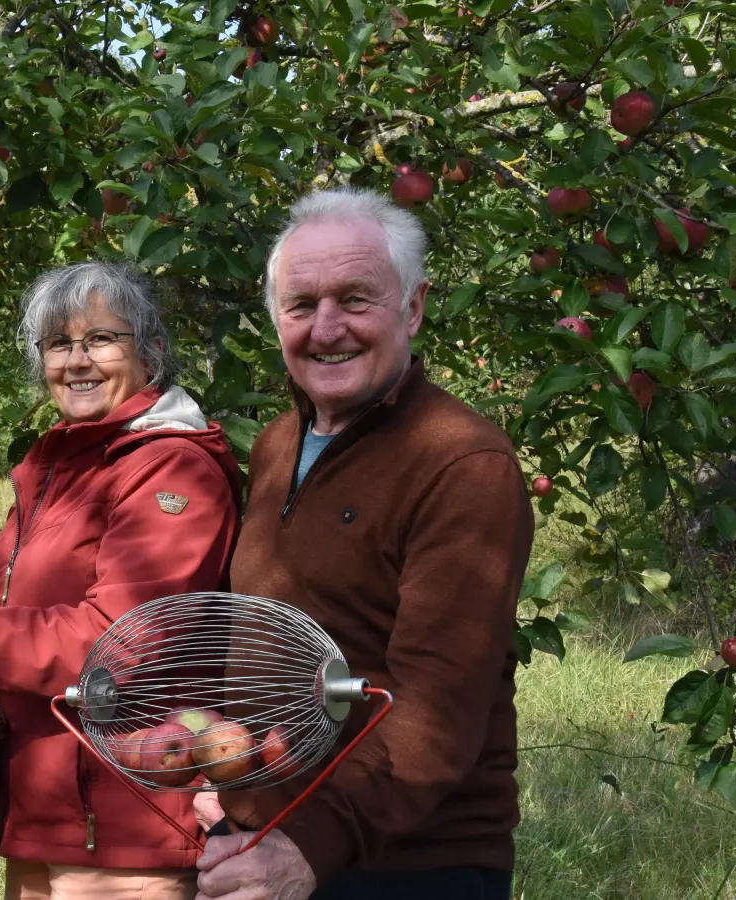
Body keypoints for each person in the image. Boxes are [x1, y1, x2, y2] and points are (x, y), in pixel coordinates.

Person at [192, 187, 533, 900]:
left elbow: (435, 707)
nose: (325, 329)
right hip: (267, 835)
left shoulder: (461, 464)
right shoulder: (279, 444)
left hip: (405, 865)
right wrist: (224, 777)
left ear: (412, 307)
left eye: (355, 299)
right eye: (300, 305)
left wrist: (307, 845)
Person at [0, 261, 245, 900]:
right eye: (58, 343)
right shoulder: (59, 464)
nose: (77, 360)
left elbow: (115, 642)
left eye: (102, 339)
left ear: (152, 350)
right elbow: (31, 620)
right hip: (47, 810)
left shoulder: (170, 470)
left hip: (127, 818)